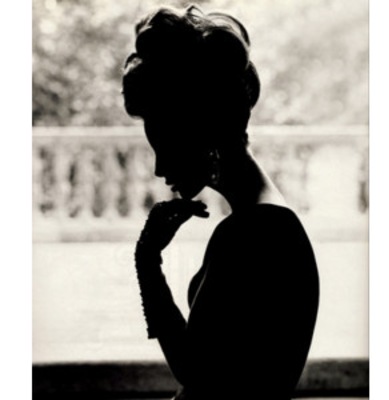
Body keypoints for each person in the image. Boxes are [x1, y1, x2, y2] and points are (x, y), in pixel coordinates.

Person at [122, 5, 319, 399]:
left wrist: (147, 261)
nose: (160, 168)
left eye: (166, 148)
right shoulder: (263, 220)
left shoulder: (254, 231)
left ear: (202, 132)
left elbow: (194, 370)